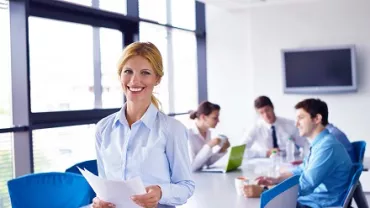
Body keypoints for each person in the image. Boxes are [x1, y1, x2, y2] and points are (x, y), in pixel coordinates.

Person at [92, 42, 195, 208]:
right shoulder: (103, 128)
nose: (134, 80)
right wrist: (99, 202)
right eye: (128, 71)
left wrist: (161, 193)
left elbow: (186, 186)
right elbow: (103, 185)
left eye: (145, 73)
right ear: (120, 75)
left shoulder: (172, 129)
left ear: (157, 79)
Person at [243, 98, 353, 208]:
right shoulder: (320, 144)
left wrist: (264, 190)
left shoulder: (327, 147)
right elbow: (301, 169)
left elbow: (305, 185)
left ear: (317, 119)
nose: (296, 124)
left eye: (301, 118)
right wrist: (277, 180)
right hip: (313, 199)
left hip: (318, 204)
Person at [241, 96, 309, 158]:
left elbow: (306, 144)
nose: (266, 115)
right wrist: (266, 153)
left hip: (290, 161)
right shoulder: (255, 128)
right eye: (261, 113)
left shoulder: (290, 124)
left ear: (272, 107)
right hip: (266, 164)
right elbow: (240, 152)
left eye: (267, 110)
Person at [188, 101, 230, 171]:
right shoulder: (188, 134)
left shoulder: (208, 132)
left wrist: (222, 150)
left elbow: (206, 163)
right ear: (203, 117)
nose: (218, 121)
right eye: (215, 118)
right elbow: (192, 167)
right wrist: (209, 146)